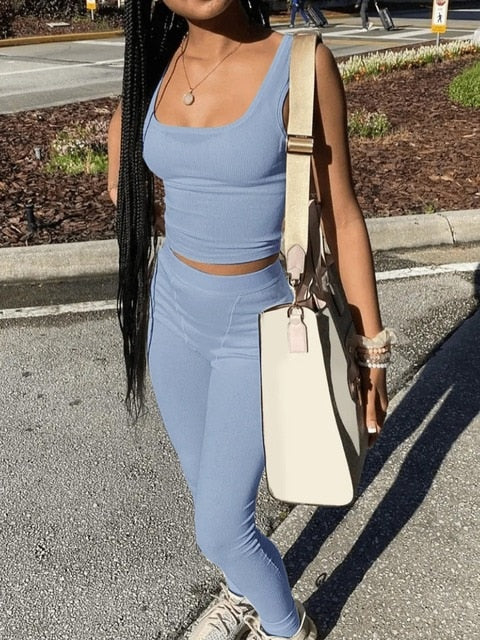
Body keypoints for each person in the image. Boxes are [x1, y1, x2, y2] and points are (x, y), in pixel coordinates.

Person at [107, 1, 389, 639]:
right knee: (208, 492)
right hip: (173, 318)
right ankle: (242, 591)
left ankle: (288, 627)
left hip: (257, 332)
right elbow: (126, 174)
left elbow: (343, 215)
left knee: (219, 527)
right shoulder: (155, 65)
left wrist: (372, 350)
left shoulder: (301, 65)